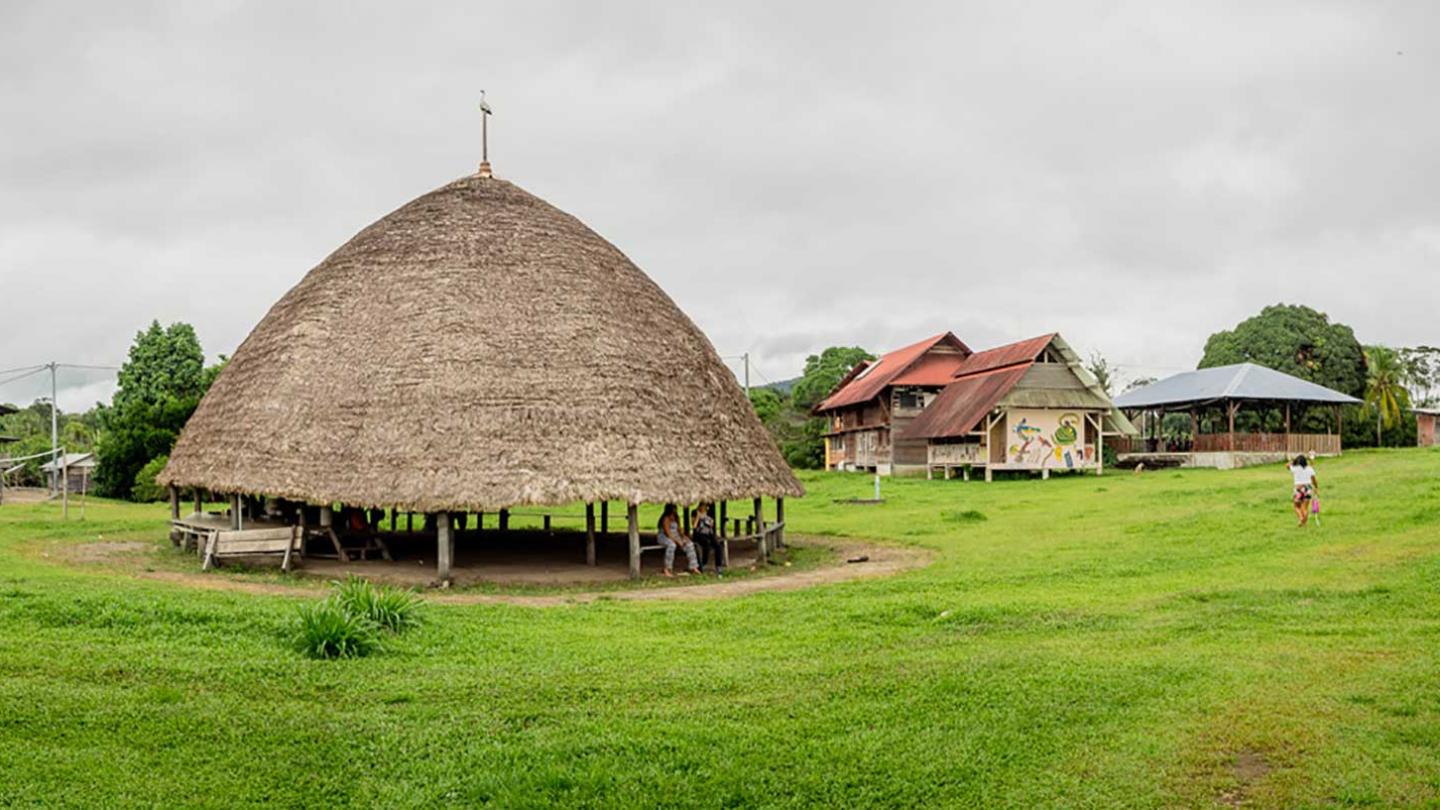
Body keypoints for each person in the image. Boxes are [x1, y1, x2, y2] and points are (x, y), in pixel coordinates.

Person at [657, 504, 700, 577]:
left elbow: (679, 530)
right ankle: (667, 569)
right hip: (664, 537)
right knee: (672, 545)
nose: (675, 511)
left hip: (675, 535)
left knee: (689, 544)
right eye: (673, 510)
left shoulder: (676, 518)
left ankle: (693, 567)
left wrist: (684, 537)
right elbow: (668, 534)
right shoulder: (666, 519)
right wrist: (677, 541)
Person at [691, 503, 724, 575]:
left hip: (709, 533)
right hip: (699, 534)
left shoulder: (709, 513)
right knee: (706, 544)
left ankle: (719, 566)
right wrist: (698, 517)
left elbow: (711, 524)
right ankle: (703, 563)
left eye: (705, 506)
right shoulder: (694, 512)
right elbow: (694, 526)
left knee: (718, 546)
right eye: (703, 506)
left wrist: (710, 522)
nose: (704, 508)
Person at [1288, 455, 1318, 527]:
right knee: (1305, 508)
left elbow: (1287, 466)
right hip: (1307, 488)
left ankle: (1301, 518)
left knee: (1296, 506)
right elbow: (1314, 480)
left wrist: (1293, 461)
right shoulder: (1310, 469)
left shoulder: (1295, 468)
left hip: (1298, 488)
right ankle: (1304, 523)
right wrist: (1316, 487)